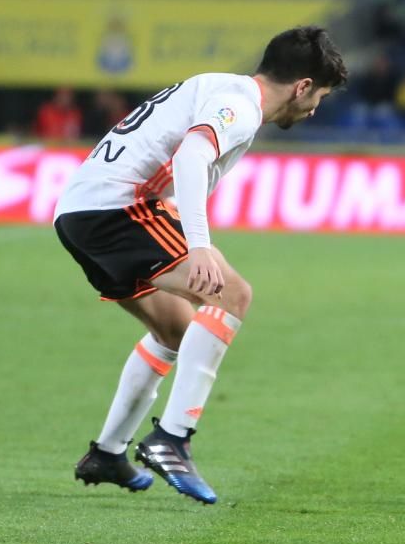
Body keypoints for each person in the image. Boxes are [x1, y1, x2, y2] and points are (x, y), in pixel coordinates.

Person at [55, 27, 347, 504]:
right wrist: (199, 245)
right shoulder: (241, 104)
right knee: (232, 294)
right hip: (117, 208)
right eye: (320, 95)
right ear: (302, 86)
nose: (316, 108)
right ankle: (173, 438)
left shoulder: (221, 88)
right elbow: (193, 153)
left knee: (177, 330)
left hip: (79, 213)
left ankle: (107, 453)